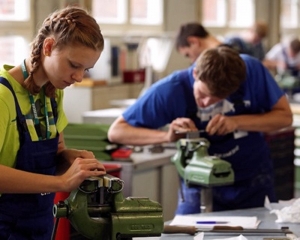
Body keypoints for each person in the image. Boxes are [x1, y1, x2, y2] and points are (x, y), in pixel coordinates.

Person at [108, 22, 293, 215]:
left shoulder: (252, 71)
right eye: (203, 95)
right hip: (199, 189)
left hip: (253, 184)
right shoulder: (170, 90)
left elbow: (284, 117)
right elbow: (117, 132)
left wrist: (237, 122)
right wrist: (167, 137)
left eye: (217, 98)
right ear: (195, 73)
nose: (206, 103)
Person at [0, 6, 106, 239]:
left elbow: (53, 155)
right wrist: (61, 182)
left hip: (38, 225)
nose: (78, 77)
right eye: (74, 65)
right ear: (48, 47)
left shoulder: (52, 94)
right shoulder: (3, 96)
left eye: (85, 69)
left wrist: (72, 159)